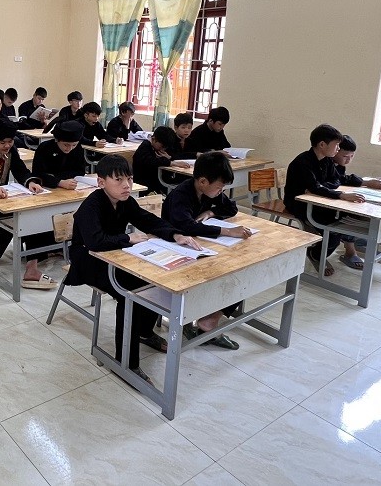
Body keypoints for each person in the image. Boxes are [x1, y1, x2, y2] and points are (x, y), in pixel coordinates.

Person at [66, 155, 202, 384]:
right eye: (118, 180)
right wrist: (128, 238)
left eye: (129, 179)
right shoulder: (91, 205)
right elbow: (95, 242)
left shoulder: (125, 201)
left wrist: (175, 234)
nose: (126, 185)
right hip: (88, 260)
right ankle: (126, 362)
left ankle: (144, 332)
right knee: (129, 294)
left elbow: (147, 220)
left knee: (154, 279)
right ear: (101, 182)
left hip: (115, 256)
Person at [161, 151, 252, 350]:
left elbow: (231, 208)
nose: (221, 191)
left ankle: (209, 321)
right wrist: (228, 231)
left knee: (241, 271)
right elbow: (186, 226)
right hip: (177, 249)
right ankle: (194, 320)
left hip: (204, 246)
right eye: (219, 187)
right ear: (202, 181)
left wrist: (210, 212)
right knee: (222, 274)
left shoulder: (210, 192)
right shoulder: (181, 195)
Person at [0, 117, 54, 289]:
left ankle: (32, 266)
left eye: (10, 141)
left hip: (5, 198)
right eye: (2, 142)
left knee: (31, 214)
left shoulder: (11, 149)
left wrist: (30, 182)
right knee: (3, 215)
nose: (7, 145)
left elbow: (20, 170)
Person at [285, 124, 368, 277]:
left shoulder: (327, 160)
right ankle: (315, 254)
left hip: (319, 201)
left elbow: (336, 181)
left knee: (344, 221)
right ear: (322, 144)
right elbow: (315, 187)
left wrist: (323, 187)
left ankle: (321, 251)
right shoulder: (302, 162)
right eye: (336, 145)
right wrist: (339, 194)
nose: (338, 149)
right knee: (332, 230)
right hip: (299, 204)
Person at [24, 121, 88, 256]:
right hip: (45, 192)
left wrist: (60, 178)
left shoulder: (77, 149)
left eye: (73, 145)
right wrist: (58, 182)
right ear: (57, 140)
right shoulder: (44, 148)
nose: (69, 148)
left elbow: (80, 171)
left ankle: (61, 247)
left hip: (69, 191)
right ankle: (38, 254)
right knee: (40, 218)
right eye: (66, 145)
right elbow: (38, 174)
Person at [332, 135, 381, 269]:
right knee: (350, 214)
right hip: (325, 202)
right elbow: (339, 180)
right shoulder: (326, 163)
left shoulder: (339, 165)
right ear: (335, 151)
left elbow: (343, 179)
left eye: (352, 156)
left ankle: (356, 240)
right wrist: (365, 182)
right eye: (345, 156)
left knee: (362, 206)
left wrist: (366, 182)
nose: (348, 160)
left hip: (335, 197)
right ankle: (350, 250)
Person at [133, 126, 178, 194]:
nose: (163, 149)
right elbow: (150, 161)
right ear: (154, 139)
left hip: (156, 184)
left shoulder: (159, 148)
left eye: (165, 147)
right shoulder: (145, 147)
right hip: (144, 185)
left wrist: (169, 158)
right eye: (162, 146)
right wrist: (171, 162)